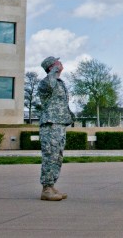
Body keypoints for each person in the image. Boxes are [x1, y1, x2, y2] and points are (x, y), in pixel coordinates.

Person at [38, 56, 74, 201]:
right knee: (50, 155)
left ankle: (52, 185)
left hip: (59, 124)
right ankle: (46, 188)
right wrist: (54, 70)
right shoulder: (46, 82)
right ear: (52, 66)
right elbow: (50, 85)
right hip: (50, 124)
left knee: (57, 156)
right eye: (58, 62)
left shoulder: (60, 82)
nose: (61, 64)